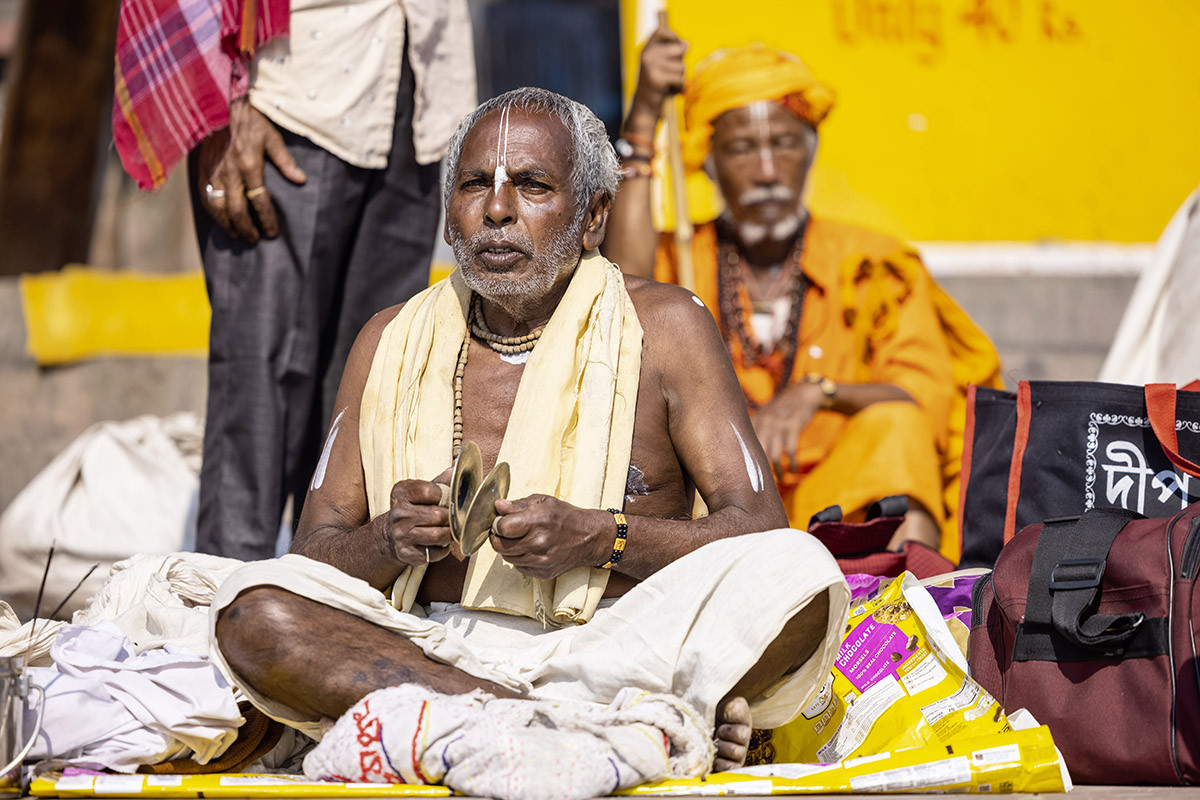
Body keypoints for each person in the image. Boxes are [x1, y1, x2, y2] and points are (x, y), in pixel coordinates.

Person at [210, 88, 849, 773]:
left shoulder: (667, 327)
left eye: (533, 185)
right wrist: (385, 540)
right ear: (448, 214)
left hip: (618, 648)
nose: (497, 210)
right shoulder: (387, 339)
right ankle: (576, 726)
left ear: (594, 216)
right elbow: (311, 559)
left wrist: (602, 538)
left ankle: (529, 723)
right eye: (474, 185)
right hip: (424, 651)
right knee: (251, 614)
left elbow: (757, 529)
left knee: (802, 575)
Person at [604, 29, 964, 551]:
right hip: (722, 512)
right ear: (709, 163)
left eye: (784, 143)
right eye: (742, 149)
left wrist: (820, 394)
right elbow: (620, 291)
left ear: (811, 152)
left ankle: (901, 597)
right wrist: (643, 118)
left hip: (840, 507)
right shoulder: (680, 256)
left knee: (899, 427)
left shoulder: (873, 263)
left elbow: (924, 399)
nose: (767, 171)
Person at [188, 1, 477, 560]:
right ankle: (225, 593)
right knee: (260, 382)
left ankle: (324, 598)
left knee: (372, 386)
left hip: (420, 91)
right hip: (286, 95)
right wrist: (224, 103)